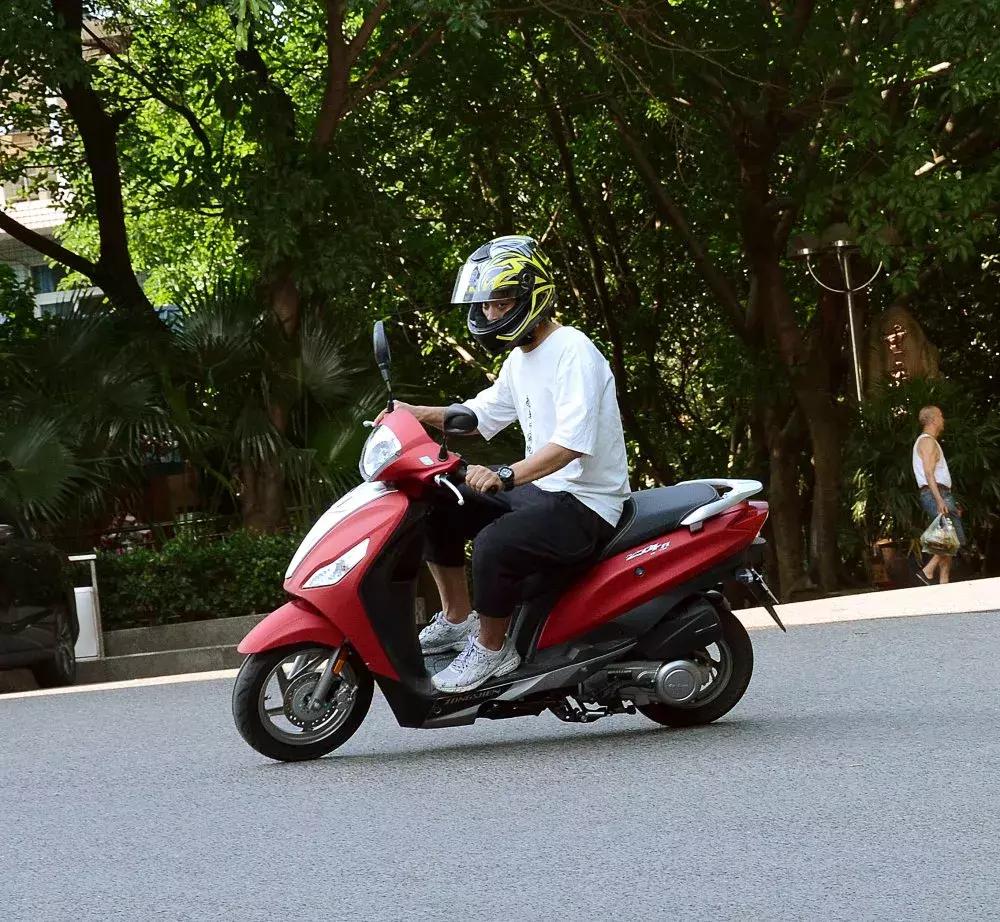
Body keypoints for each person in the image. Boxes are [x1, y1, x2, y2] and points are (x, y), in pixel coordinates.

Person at [382, 234, 631, 693]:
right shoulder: (522, 359)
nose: (492, 313)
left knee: (496, 543)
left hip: (588, 503)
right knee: (440, 500)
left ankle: (494, 650)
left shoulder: (573, 350)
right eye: (489, 305)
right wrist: (413, 413)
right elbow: (479, 416)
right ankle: (458, 619)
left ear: (532, 295)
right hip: (546, 493)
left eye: (501, 302)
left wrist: (506, 474)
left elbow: (572, 444)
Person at [912, 405, 965, 585]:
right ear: (934, 419)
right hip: (936, 492)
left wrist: (949, 500)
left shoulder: (929, 441)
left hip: (941, 493)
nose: (943, 420)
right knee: (951, 537)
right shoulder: (927, 441)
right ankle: (928, 570)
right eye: (941, 416)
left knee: (948, 535)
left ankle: (944, 582)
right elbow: (928, 473)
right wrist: (939, 499)